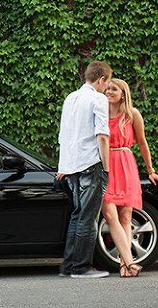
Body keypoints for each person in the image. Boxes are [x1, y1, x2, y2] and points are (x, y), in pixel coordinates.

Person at [101, 78, 158, 277]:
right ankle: (130, 263)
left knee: (126, 217)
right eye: (107, 89)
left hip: (125, 164)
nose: (109, 92)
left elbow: (143, 143)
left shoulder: (132, 114)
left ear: (123, 94)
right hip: (105, 165)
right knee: (110, 215)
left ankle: (124, 264)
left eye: (114, 89)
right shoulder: (100, 112)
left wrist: (151, 170)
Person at [56, 61, 112, 279]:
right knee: (88, 218)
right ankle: (81, 267)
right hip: (91, 164)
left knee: (77, 216)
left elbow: (64, 136)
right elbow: (102, 135)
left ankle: (69, 266)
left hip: (73, 167)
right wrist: (106, 167)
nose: (106, 89)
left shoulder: (71, 98)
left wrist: (64, 167)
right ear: (101, 79)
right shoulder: (97, 98)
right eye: (106, 84)